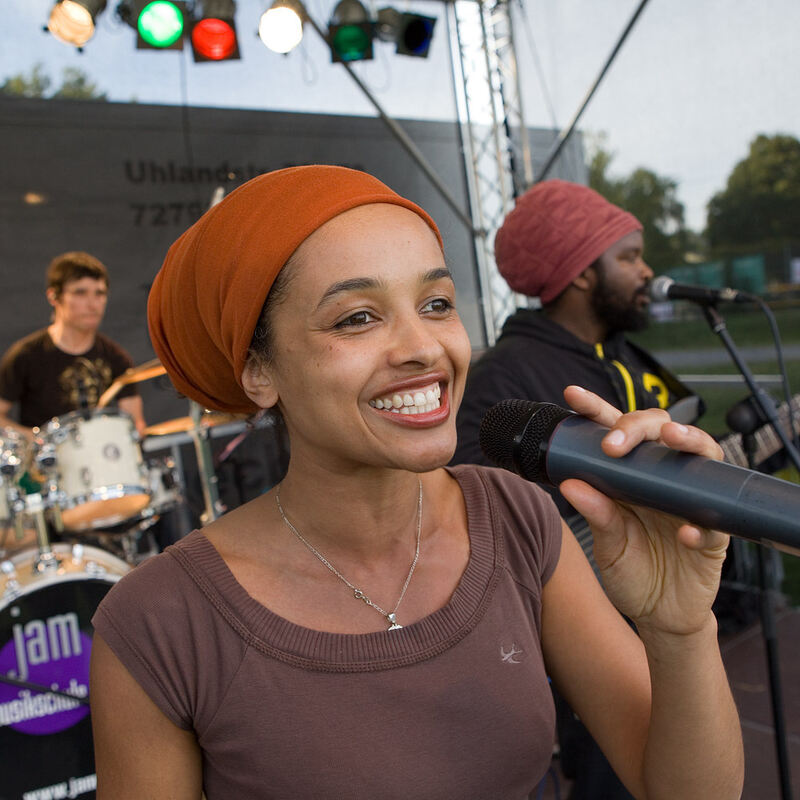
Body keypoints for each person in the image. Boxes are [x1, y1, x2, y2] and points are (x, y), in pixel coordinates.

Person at [89, 166, 743, 799]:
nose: (423, 348)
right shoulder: (159, 620)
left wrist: (680, 629)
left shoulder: (518, 519)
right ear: (258, 371)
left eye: (436, 304)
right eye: (357, 318)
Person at [452, 180, 704, 799]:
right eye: (629, 255)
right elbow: (477, 516)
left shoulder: (630, 359)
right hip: (589, 644)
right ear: (582, 273)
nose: (646, 270)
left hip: (669, 626)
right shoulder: (505, 379)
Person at [0, 251, 145, 436]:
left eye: (99, 293)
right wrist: (34, 439)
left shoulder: (117, 358)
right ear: (53, 296)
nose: (93, 304)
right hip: (45, 461)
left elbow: (136, 424)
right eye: (80, 293)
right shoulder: (24, 356)